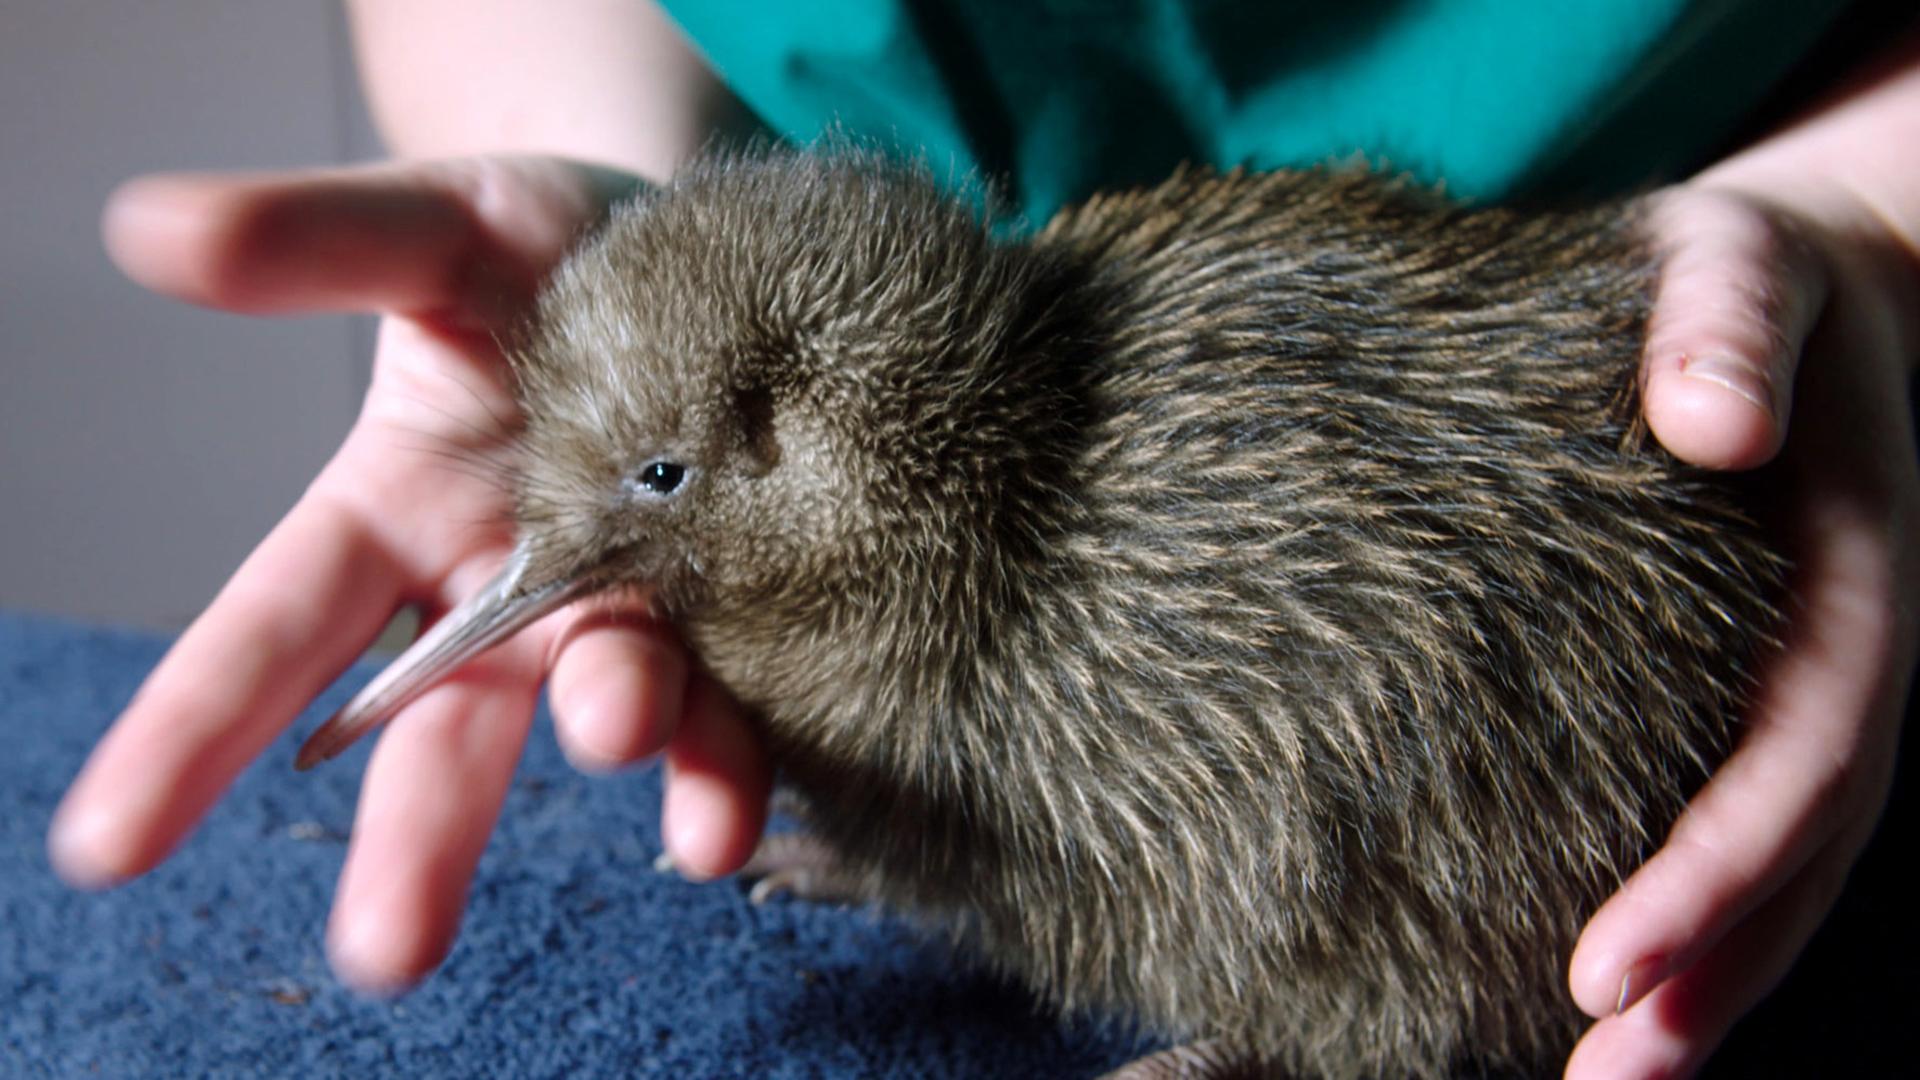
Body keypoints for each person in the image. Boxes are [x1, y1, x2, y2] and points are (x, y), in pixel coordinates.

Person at [48, 3, 1918, 1076]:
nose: (557, 569)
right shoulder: (860, 520)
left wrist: (1867, 217)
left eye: (656, 493)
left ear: (809, 437)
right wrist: (567, 140)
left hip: (1770, 384)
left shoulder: (1009, 603)